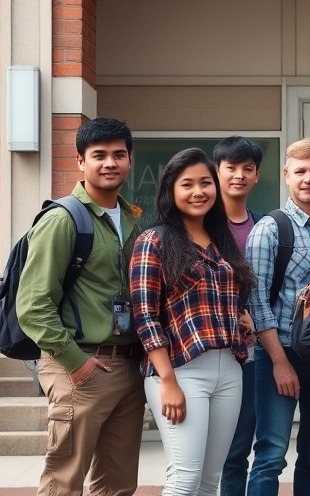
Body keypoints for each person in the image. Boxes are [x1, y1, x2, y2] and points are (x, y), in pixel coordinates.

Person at [17, 117, 146, 496]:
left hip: (127, 366)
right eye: (99, 155)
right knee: (64, 482)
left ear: (129, 160)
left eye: (119, 154)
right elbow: (34, 304)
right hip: (80, 365)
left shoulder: (133, 220)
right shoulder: (62, 219)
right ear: (80, 161)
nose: (110, 163)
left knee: (119, 485)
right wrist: (77, 364)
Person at [130, 147, 257, 495]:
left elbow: (226, 297)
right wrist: (167, 380)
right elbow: (145, 316)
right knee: (184, 479)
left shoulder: (221, 241)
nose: (198, 191)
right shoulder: (153, 240)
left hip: (229, 370)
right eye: (187, 184)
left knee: (208, 481)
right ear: (171, 190)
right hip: (180, 372)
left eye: (205, 183)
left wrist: (241, 321)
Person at [246, 139, 310, 495]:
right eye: (301, 171)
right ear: (287, 175)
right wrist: (279, 362)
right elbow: (256, 302)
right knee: (271, 454)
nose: (309, 178)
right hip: (281, 354)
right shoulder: (271, 229)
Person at [215, 136, 264, 496]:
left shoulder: (265, 226)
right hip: (213, 347)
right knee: (226, 451)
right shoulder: (199, 224)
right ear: (217, 172)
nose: (239, 175)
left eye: (247, 168)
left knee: (246, 443)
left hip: (255, 351)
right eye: (231, 167)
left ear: (257, 176)